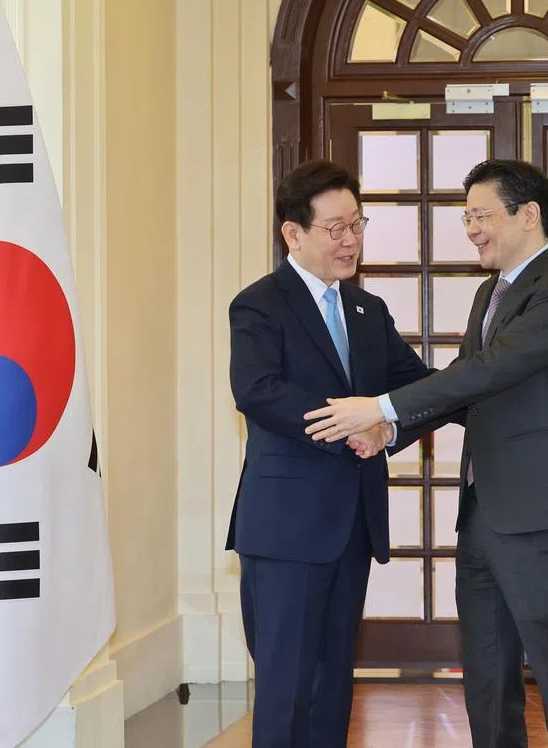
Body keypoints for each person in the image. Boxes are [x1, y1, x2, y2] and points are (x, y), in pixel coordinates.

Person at [303, 159, 548, 747]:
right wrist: (391, 433)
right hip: (484, 517)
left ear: (529, 215)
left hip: (544, 518)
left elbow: (490, 371)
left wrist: (381, 407)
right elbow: (468, 382)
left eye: (481, 215)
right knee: (488, 678)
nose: (471, 229)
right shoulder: (490, 293)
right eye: (466, 216)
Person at [226, 159, 435, 748]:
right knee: (286, 686)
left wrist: (389, 427)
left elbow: (417, 390)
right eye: (334, 228)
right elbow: (258, 392)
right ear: (293, 234)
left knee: (334, 683)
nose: (351, 241)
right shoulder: (259, 305)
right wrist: (351, 424)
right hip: (287, 528)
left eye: (357, 224)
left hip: (352, 528)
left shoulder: (369, 312)